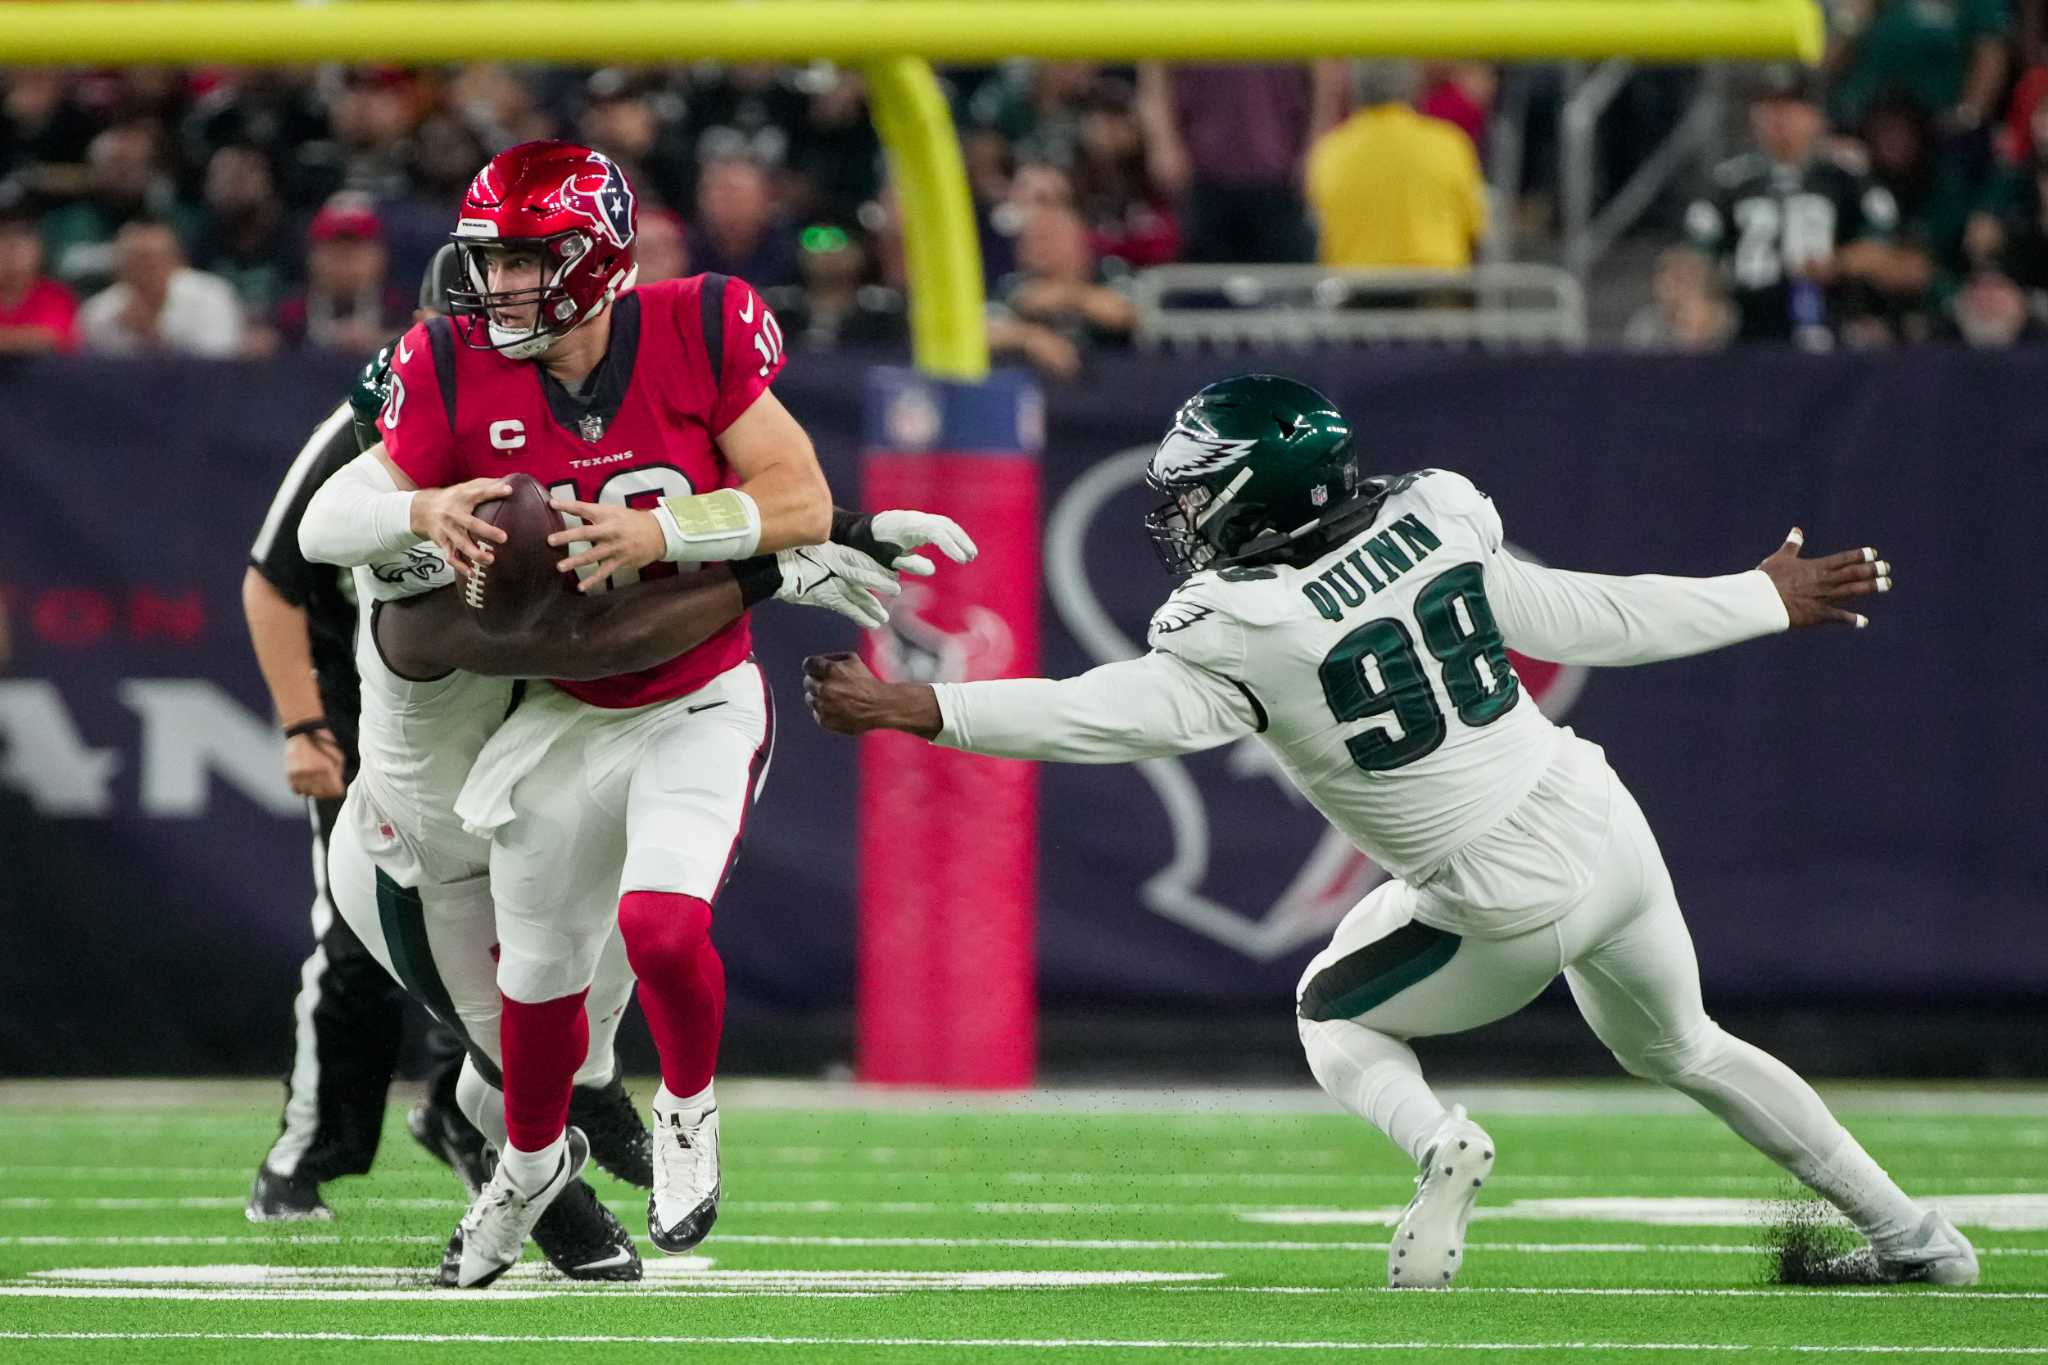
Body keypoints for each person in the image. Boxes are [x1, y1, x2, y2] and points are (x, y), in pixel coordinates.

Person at [802, 374, 1977, 1292]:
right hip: (1599, 820)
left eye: (1197, 489)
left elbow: (1103, 717)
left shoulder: (1245, 620)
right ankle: (1913, 1235)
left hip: (1496, 894)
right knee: (1686, 1047)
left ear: (1256, 494)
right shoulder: (1437, 513)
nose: (1180, 512)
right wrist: (1757, 596)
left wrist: (921, 705)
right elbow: (1592, 613)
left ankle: (1438, 1145)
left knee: (1329, 1016)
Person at [292, 139, 972, 1286]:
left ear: (594, 261)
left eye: (523, 266)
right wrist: (774, 568)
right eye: (487, 271)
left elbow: (734, 513)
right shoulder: (418, 511)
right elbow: (339, 535)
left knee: (592, 1018)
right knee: (521, 1056)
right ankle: (527, 1191)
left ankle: (611, 1129)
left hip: (551, 747)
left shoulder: (670, 338)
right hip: (418, 848)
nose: (496, 296)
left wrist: (809, 535)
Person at [1684, 68, 1909, 348]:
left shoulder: (1844, 177)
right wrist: (1700, 300)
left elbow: (1888, 251)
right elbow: (1694, 255)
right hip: (1747, 323)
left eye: (1789, 105)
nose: (1778, 117)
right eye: (1767, 106)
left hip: (1829, 317)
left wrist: (1838, 263)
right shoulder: (1730, 181)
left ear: (1815, 115)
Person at [1304, 62, 1488, 270]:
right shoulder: (1449, 143)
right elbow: (1475, 228)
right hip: (1436, 287)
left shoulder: (1331, 151)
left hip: (1358, 290)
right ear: (1413, 87)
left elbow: (1315, 222)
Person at [77, 218, 243, 357]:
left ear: (176, 262)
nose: (142, 270)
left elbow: (218, 365)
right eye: (132, 261)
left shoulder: (211, 296)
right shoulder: (98, 311)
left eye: (150, 260)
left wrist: (153, 336)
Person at [0, 186, 78, 355]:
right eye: (2, 235)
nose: (11, 245)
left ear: (39, 246)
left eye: (22, 234)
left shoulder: (56, 296)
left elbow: (53, 339)